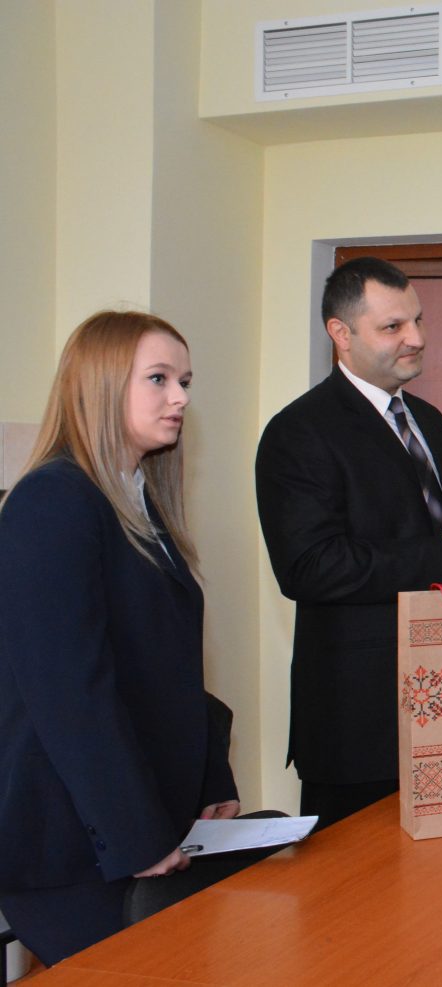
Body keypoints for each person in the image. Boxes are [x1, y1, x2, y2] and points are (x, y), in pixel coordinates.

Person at [0, 311, 239, 966]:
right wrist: (137, 835)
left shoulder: (135, 498)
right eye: (158, 378)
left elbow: (162, 669)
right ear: (101, 385)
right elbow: (70, 694)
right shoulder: (52, 501)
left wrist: (210, 775)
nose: (180, 397)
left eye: (184, 381)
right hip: (70, 843)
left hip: (139, 821)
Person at [256, 256, 442, 829]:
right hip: (358, 723)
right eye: (393, 326)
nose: (416, 338)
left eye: (418, 320)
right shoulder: (298, 431)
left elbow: (437, 522)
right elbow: (308, 566)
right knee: (353, 882)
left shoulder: (428, 420)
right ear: (340, 334)